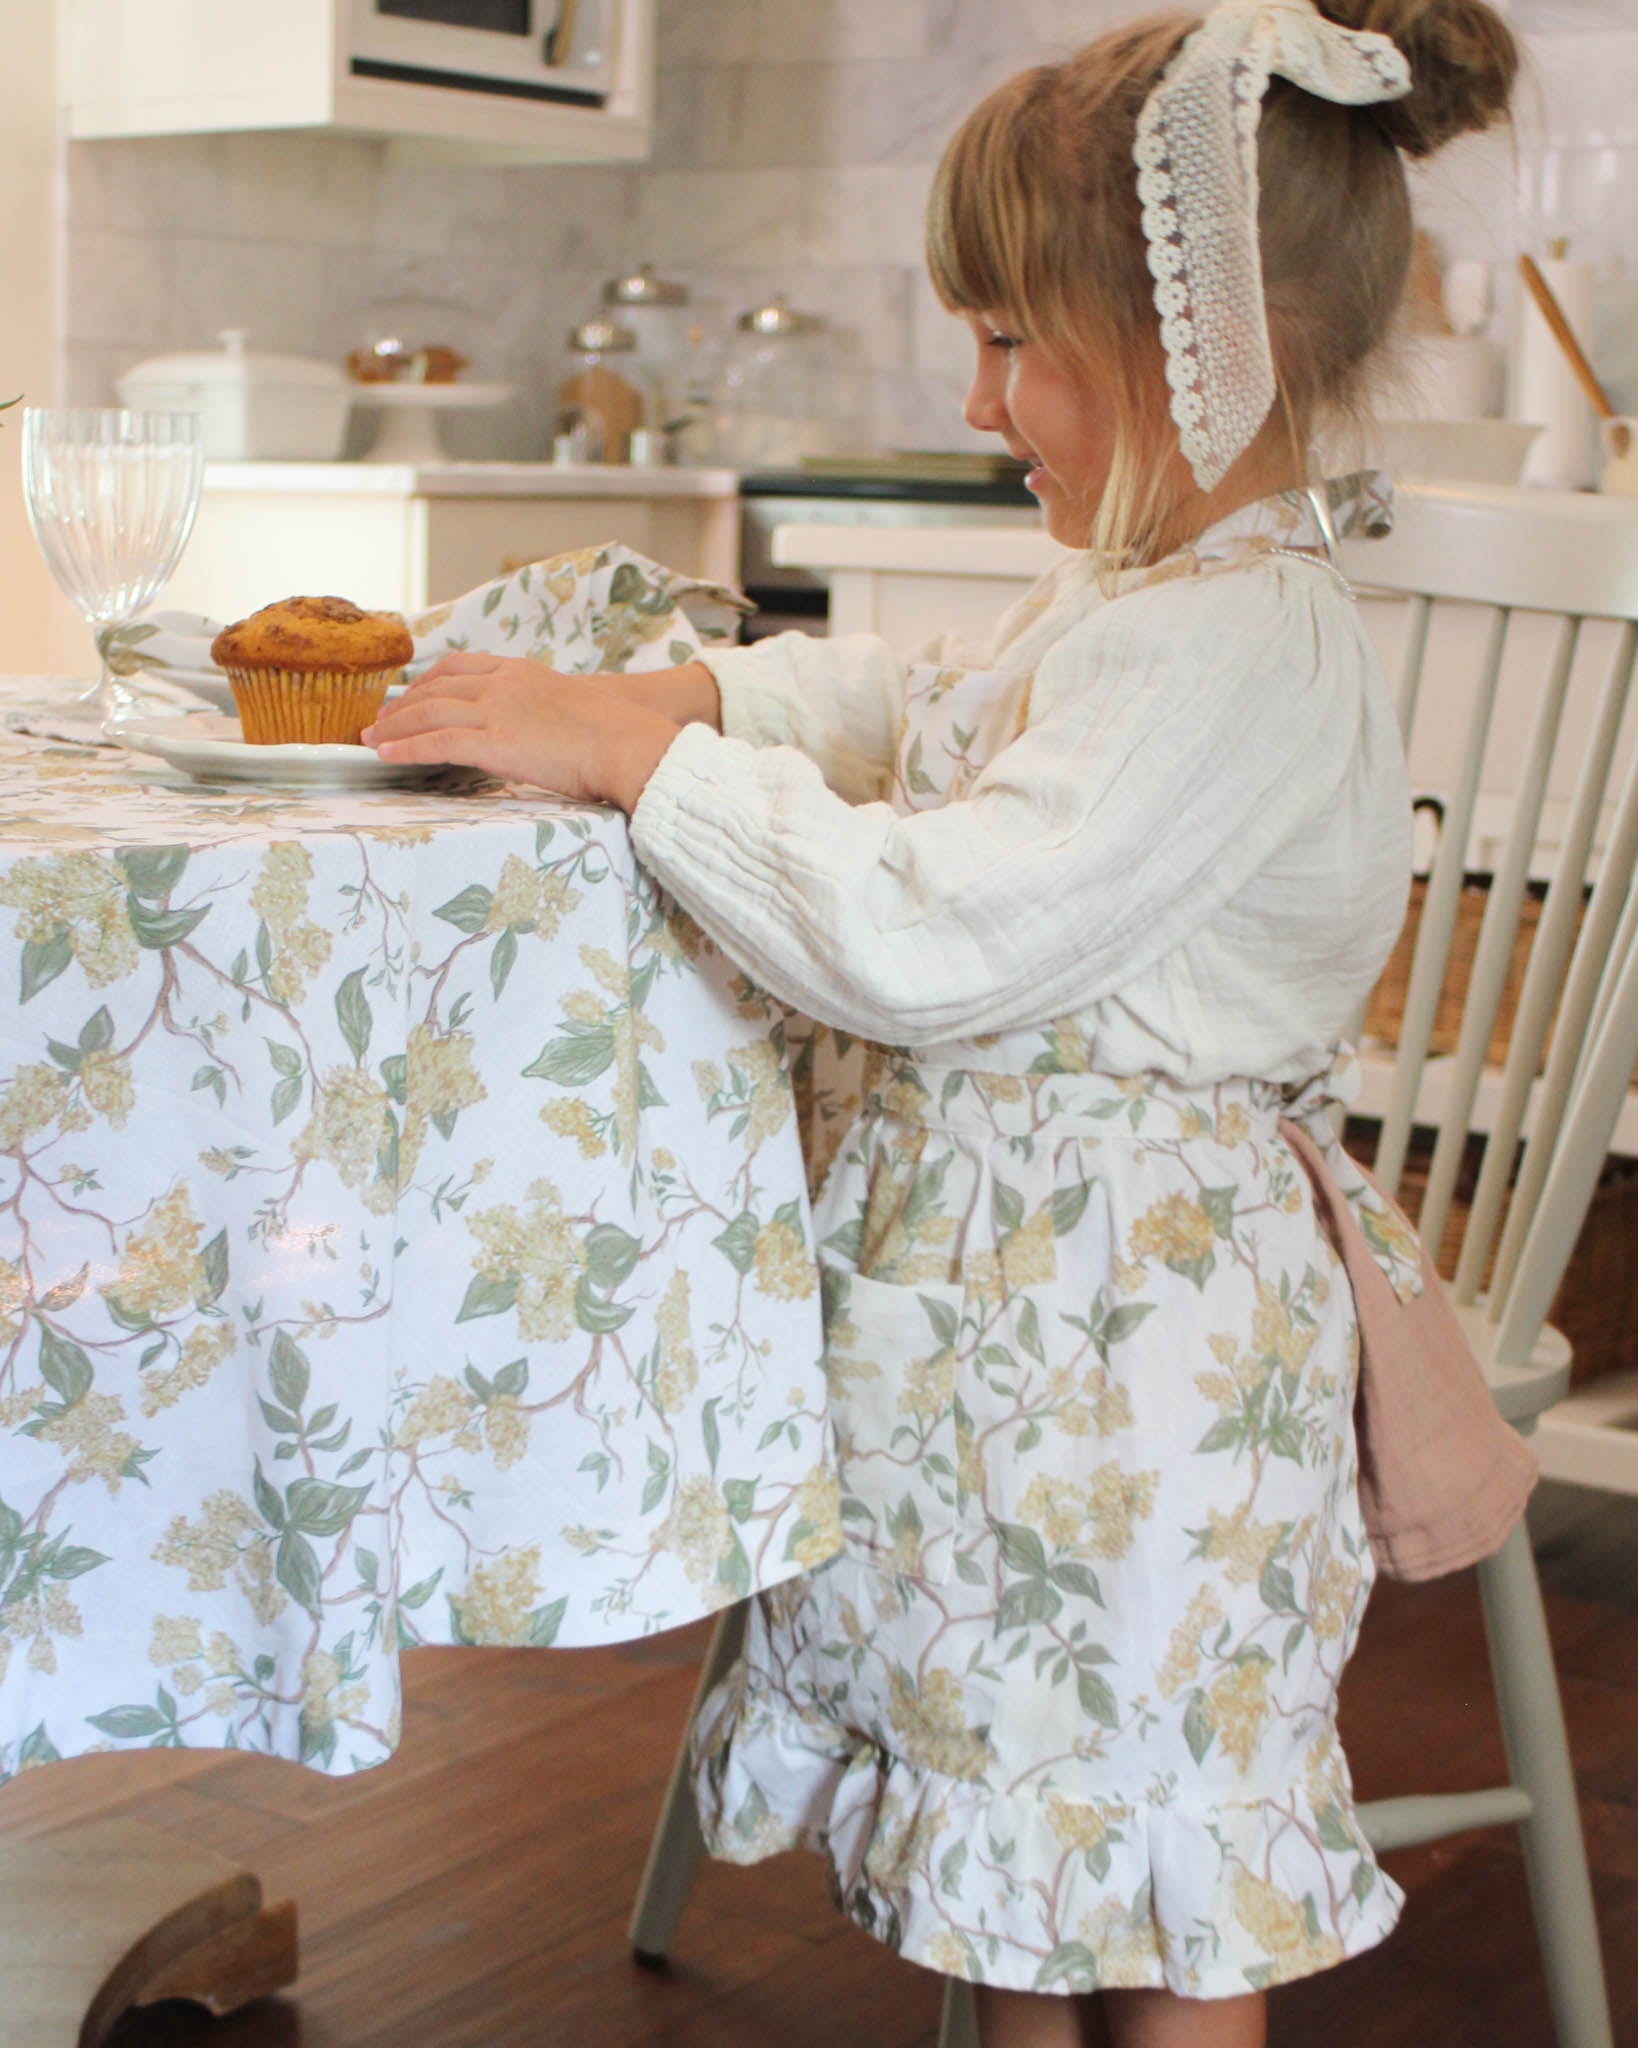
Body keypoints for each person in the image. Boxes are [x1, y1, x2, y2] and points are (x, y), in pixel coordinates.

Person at [364, 2, 1519, 2039]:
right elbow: (921, 700)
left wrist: (652, 776)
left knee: (1159, 1884)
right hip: (1031, 1369)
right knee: (1033, 1850)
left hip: (1135, 1384)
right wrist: (695, 699)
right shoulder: (1135, 600)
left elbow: (934, 930)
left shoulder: (1235, 650)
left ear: (1197, 344)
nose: (978, 397)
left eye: (1016, 342)